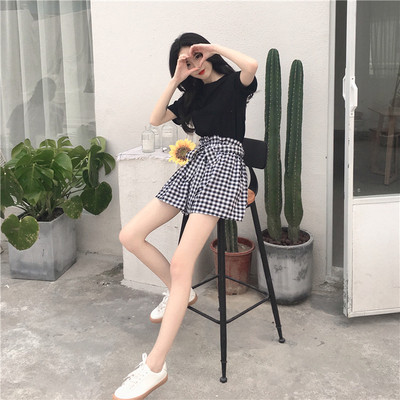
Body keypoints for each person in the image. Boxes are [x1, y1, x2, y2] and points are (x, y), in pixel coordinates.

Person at [114, 32, 258, 400]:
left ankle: (155, 367)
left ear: (206, 53)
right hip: (198, 164)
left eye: (196, 56)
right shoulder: (191, 95)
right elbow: (155, 118)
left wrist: (213, 48)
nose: (194, 64)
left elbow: (252, 65)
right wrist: (177, 78)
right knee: (130, 235)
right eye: (186, 61)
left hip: (226, 168)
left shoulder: (234, 84)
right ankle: (181, 292)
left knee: (181, 264)